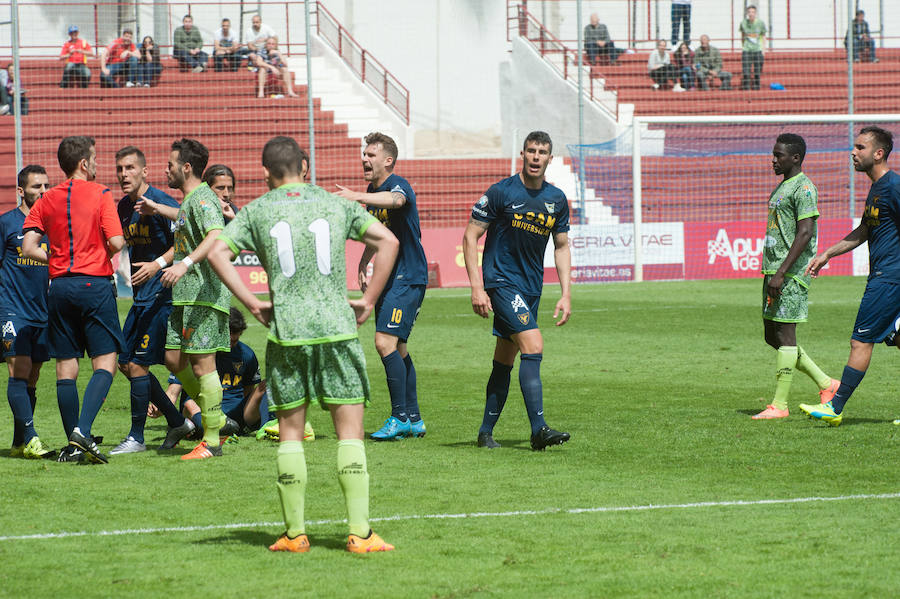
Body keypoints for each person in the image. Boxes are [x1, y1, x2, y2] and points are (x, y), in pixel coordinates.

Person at [207, 135, 399, 553]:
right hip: (336, 327)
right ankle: (360, 534)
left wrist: (252, 302)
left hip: (288, 331)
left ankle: (295, 534)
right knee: (350, 432)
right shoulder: (336, 203)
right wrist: (367, 299)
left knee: (291, 434)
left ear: (265, 172)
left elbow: (217, 251)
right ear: (304, 168)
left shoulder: (258, 210)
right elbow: (389, 241)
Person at [462, 130, 572, 451]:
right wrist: (477, 288)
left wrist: (566, 293)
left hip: (530, 288)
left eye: (542, 152)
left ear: (550, 159)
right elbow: (470, 237)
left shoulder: (557, 200)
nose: (536, 157)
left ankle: (485, 433)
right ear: (522, 155)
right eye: (531, 151)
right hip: (501, 282)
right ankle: (539, 430)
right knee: (533, 345)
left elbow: (561, 247)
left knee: (504, 360)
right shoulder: (501, 193)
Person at [22, 136, 126, 464]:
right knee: (105, 362)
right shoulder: (100, 193)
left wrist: (54, 258)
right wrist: (97, 251)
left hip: (60, 288)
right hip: (93, 284)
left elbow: (27, 247)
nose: (97, 164)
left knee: (66, 367)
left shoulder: (47, 198)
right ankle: (82, 430)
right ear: (84, 163)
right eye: (94, 158)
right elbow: (117, 241)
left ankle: (72, 445)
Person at [800, 126, 900, 426]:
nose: (853, 152)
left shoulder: (893, 188)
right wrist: (828, 254)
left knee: (860, 341)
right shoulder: (877, 188)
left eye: (860, 147)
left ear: (878, 153)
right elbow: (865, 230)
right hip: (888, 275)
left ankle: (835, 406)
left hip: (889, 278)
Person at [336, 132, 428, 441]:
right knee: (398, 347)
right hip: (390, 277)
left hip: (408, 275)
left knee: (383, 342)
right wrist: (364, 261)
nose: (364, 158)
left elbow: (397, 201)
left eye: (370, 155)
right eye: (364, 154)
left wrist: (357, 197)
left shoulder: (397, 185)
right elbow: (377, 232)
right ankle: (413, 419)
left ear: (388, 160)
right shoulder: (372, 190)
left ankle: (399, 417)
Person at [108, 146, 196, 455]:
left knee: (139, 365)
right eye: (120, 168)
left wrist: (157, 264)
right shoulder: (123, 207)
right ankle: (177, 421)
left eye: (130, 168)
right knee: (125, 363)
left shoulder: (161, 202)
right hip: (140, 298)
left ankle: (137, 437)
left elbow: (185, 241)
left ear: (144, 171)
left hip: (163, 296)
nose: (124, 174)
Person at [752, 134, 839, 420]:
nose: (773, 160)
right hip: (773, 271)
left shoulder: (804, 188)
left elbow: (805, 232)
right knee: (771, 335)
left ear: (796, 158)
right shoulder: (784, 186)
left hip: (789, 274)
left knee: (786, 335)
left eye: (779, 155)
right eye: (773, 154)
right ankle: (828, 384)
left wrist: (782, 272)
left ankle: (779, 405)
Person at [152, 138, 229, 459]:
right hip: (185, 297)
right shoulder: (189, 201)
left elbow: (216, 234)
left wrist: (184, 263)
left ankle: (211, 440)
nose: (165, 169)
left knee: (202, 365)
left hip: (204, 296)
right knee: (173, 359)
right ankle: (217, 417)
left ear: (186, 167)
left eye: (170, 164)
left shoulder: (202, 200)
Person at [2, 165, 54, 459]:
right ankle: (32, 438)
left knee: (32, 378)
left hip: (41, 312)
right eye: (37, 187)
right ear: (21, 191)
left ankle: (19, 441)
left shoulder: (50, 225)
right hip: (12, 311)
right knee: (18, 372)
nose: (44, 192)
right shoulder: (7, 224)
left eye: (47, 186)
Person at [739, 5, 766, 91]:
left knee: (757, 71)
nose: (751, 14)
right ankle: (746, 88)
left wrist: (763, 50)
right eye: (749, 12)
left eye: (753, 12)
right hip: (747, 50)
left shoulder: (760, 23)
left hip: (757, 49)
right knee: (746, 71)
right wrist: (743, 46)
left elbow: (764, 36)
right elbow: (742, 35)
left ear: (755, 13)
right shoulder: (743, 23)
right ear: (747, 13)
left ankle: (756, 88)